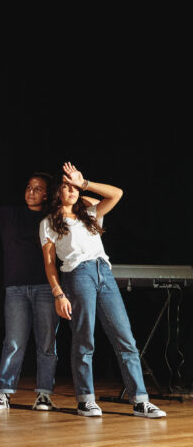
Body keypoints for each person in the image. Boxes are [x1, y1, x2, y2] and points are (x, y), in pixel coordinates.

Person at [40, 162, 166, 418]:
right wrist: (58, 293)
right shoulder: (48, 223)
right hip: (77, 274)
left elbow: (116, 193)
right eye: (66, 187)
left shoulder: (91, 213)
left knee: (125, 338)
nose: (72, 190)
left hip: (104, 273)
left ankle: (140, 400)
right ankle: (85, 399)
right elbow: (50, 264)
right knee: (84, 338)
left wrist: (82, 182)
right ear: (56, 192)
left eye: (73, 187)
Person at [0, 173, 62, 411]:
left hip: (45, 287)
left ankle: (44, 395)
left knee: (47, 344)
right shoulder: (11, 214)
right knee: (13, 342)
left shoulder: (53, 218)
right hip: (16, 288)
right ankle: (5, 393)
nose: (31, 192)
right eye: (29, 187)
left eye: (37, 189)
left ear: (47, 194)